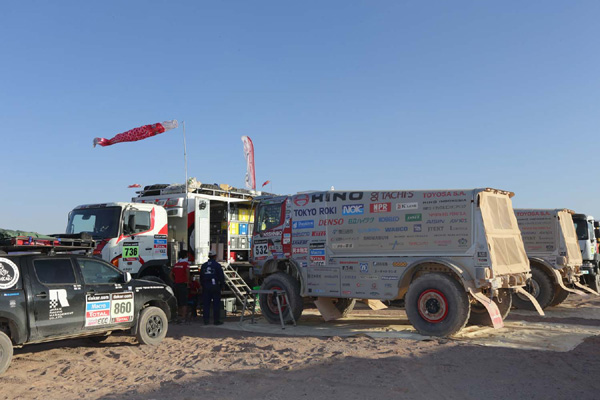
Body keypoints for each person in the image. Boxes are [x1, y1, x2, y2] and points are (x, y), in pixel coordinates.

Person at [200, 250, 225, 325]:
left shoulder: (204, 265)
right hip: (214, 285)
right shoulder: (217, 265)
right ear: (215, 256)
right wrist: (222, 285)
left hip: (206, 285)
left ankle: (206, 320)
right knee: (216, 303)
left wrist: (202, 285)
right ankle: (216, 320)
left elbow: (201, 276)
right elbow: (221, 276)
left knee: (206, 304)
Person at [170, 250, 190, 324]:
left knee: (178, 301)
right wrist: (187, 282)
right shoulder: (186, 264)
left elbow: (171, 274)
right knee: (184, 301)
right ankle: (183, 318)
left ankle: (179, 316)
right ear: (185, 256)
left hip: (176, 284)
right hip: (183, 284)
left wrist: (174, 281)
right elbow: (187, 272)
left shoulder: (176, 264)